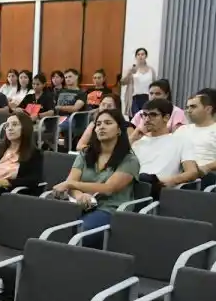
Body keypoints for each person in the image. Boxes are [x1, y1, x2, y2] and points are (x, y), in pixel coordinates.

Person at [52, 109, 139, 248]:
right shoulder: (85, 153)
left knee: (78, 233)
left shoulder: (129, 160)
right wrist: (80, 196)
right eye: (98, 124)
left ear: (119, 130)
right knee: (49, 223)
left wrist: (71, 184)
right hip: (79, 204)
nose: (101, 127)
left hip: (109, 209)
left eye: (108, 123)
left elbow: (108, 188)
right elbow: (72, 182)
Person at [130, 98, 198, 196]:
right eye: (144, 115)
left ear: (166, 117)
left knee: (144, 179)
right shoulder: (137, 141)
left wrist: (171, 180)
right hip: (132, 185)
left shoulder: (181, 141)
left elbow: (192, 172)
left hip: (159, 187)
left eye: (153, 115)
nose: (147, 119)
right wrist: (132, 139)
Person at [176, 89, 216, 185]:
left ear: (208, 109)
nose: (188, 110)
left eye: (193, 107)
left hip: (206, 176)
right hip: (180, 172)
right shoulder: (182, 129)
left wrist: (205, 168)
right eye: (187, 107)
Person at [56, 68, 88, 144]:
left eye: (70, 76)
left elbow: (75, 108)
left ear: (76, 77)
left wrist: (59, 107)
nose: (67, 79)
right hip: (57, 117)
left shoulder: (81, 93)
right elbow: (53, 104)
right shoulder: (60, 91)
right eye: (66, 77)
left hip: (72, 119)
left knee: (53, 128)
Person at [121, 47, 156, 114]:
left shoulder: (151, 70)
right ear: (136, 57)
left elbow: (155, 84)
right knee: (135, 117)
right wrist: (129, 73)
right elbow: (123, 82)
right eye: (138, 54)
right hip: (134, 98)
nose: (140, 56)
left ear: (146, 56)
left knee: (146, 116)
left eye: (142, 54)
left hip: (148, 97)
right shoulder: (132, 68)